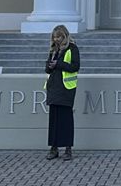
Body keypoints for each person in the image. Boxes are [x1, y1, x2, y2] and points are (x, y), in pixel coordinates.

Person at [44, 24, 80, 160]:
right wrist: (49, 66)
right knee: (54, 119)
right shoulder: (54, 49)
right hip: (53, 87)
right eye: (54, 37)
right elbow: (47, 69)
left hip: (66, 89)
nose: (56, 39)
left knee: (65, 119)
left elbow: (76, 66)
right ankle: (53, 148)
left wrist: (58, 65)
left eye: (59, 37)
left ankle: (68, 149)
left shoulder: (72, 48)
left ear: (65, 36)